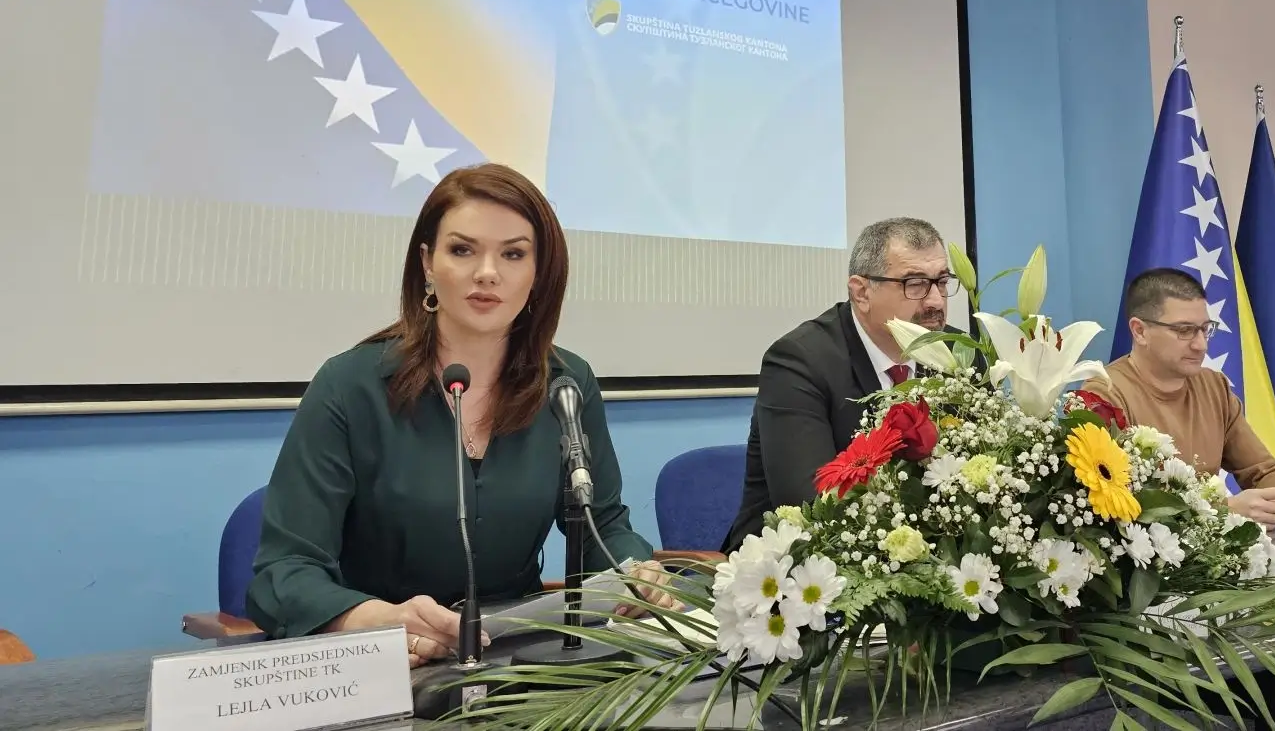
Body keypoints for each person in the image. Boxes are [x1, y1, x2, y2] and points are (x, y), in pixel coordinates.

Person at [247, 164, 674, 667]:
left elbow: (601, 523)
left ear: (539, 273)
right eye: (463, 250)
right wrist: (373, 620)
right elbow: (284, 571)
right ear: (427, 263)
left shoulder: (566, 383)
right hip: (390, 661)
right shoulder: (350, 385)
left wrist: (636, 571)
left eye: (513, 254)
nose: (487, 272)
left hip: (518, 663)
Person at [725, 217, 962, 551]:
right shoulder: (799, 361)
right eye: (915, 284)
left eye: (942, 281)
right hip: (791, 564)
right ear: (861, 292)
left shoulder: (958, 353)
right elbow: (808, 505)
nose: (936, 301)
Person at [1085, 268, 1275, 526]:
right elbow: (1110, 505)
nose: (1200, 344)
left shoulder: (1213, 386)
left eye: (1205, 329)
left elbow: (1260, 470)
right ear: (1140, 331)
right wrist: (1223, 510)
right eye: (1184, 331)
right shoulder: (1103, 395)